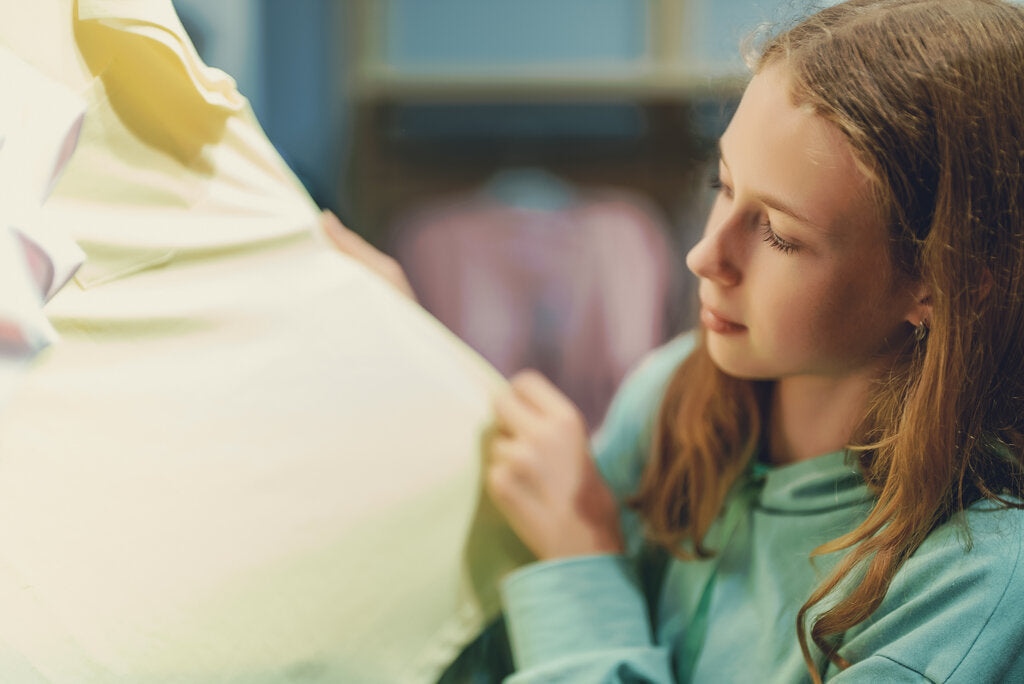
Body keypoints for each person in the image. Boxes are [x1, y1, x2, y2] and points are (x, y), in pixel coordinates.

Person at [336, 0, 1024, 681]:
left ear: (945, 282)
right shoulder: (673, 397)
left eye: (780, 234)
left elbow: (564, 596)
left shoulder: (978, 592)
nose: (704, 254)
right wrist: (414, 362)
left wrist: (582, 562)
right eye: (722, 186)